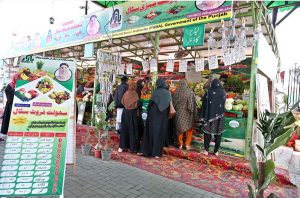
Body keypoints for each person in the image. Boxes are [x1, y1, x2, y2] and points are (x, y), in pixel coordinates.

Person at [139, 78, 171, 158]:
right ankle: (156, 153)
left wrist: (148, 110)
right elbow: (168, 104)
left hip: (153, 114)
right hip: (163, 115)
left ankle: (147, 151)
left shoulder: (155, 91)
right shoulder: (168, 93)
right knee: (159, 133)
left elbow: (150, 103)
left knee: (150, 132)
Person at [200, 79, 226, 156]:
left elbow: (204, 104)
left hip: (209, 116)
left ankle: (206, 150)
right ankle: (216, 151)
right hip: (219, 116)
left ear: (212, 84)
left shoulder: (208, 92)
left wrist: (202, 115)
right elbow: (224, 102)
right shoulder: (223, 92)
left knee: (207, 134)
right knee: (218, 134)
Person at [172, 80, 198, 150]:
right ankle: (187, 144)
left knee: (179, 128)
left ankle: (180, 144)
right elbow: (193, 103)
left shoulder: (176, 92)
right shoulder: (190, 91)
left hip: (179, 112)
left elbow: (173, 103)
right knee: (189, 128)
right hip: (188, 112)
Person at [118, 80, 140, 153]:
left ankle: (122, 146)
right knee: (132, 130)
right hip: (132, 114)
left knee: (124, 129)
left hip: (125, 113)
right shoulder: (135, 94)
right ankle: (132, 148)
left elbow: (122, 102)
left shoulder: (126, 93)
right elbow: (136, 105)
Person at [1, 73, 18, 140]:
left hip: (20, 107)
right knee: (10, 118)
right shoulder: (10, 85)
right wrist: (14, 89)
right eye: (17, 78)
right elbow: (8, 94)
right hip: (11, 106)